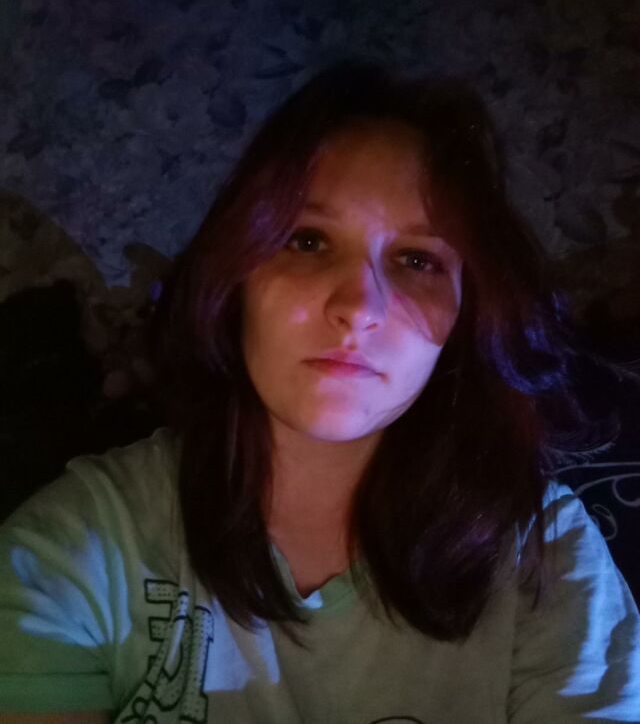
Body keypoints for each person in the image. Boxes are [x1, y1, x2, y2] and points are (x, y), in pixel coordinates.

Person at [1, 59, 639, 723]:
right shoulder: (78, 547)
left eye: (417, 259)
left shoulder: (546, 556)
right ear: (236, 278)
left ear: (462, 315)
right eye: (307, 241)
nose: (358, 306)